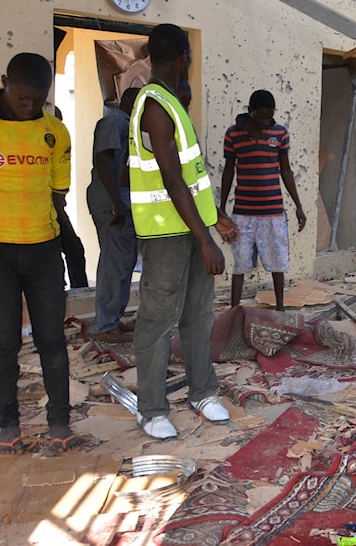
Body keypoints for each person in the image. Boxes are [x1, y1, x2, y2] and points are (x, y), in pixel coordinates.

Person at [128, 23, 238, 440]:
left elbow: (194, 178)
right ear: (182, 58)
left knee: (198, 315)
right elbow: (172, 181)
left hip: (190, 228)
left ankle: (202, 393)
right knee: (158, 320)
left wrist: (215, 218)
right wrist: (206, 239)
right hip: (167, 234)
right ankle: (152, 409)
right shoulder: (155, 104)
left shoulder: (173, 103)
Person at [0, 53, 78, 453]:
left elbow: (59, 193)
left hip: (42, 249)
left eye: (38, 100)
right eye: (23, 99)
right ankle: (8, 425)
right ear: (5, 82)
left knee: (52, 339)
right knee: (4, 341)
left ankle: (60, 422)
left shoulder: (55, 132)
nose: (31, 107)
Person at [220, 89, 306, 311]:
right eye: (260, 117)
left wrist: (298, 205)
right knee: (239, 265)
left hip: (272, 212)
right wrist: (221, 207)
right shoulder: (233, 135)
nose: (265, 122)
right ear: (250, 111)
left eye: (269, 117)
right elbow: (228, 170)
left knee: (278, 263)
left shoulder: (280, 133)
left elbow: (285, 170)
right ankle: (234, 310)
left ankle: (280, 308)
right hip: (243, 212)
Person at [85, 88, 139, 343]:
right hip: (111, 201)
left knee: (123, 261)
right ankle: (104, 325)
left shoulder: (129, 124)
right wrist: (116, 201)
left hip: (120, 200)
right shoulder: (115, 120)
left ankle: (113, 319)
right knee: (114, 262)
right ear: (128, 101)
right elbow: (104, 159)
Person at [46, 103, 89, 289]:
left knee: (74, 250)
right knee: (54, 256)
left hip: (55, 208)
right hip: (41, 211)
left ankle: (79, 291)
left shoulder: (58, 144)